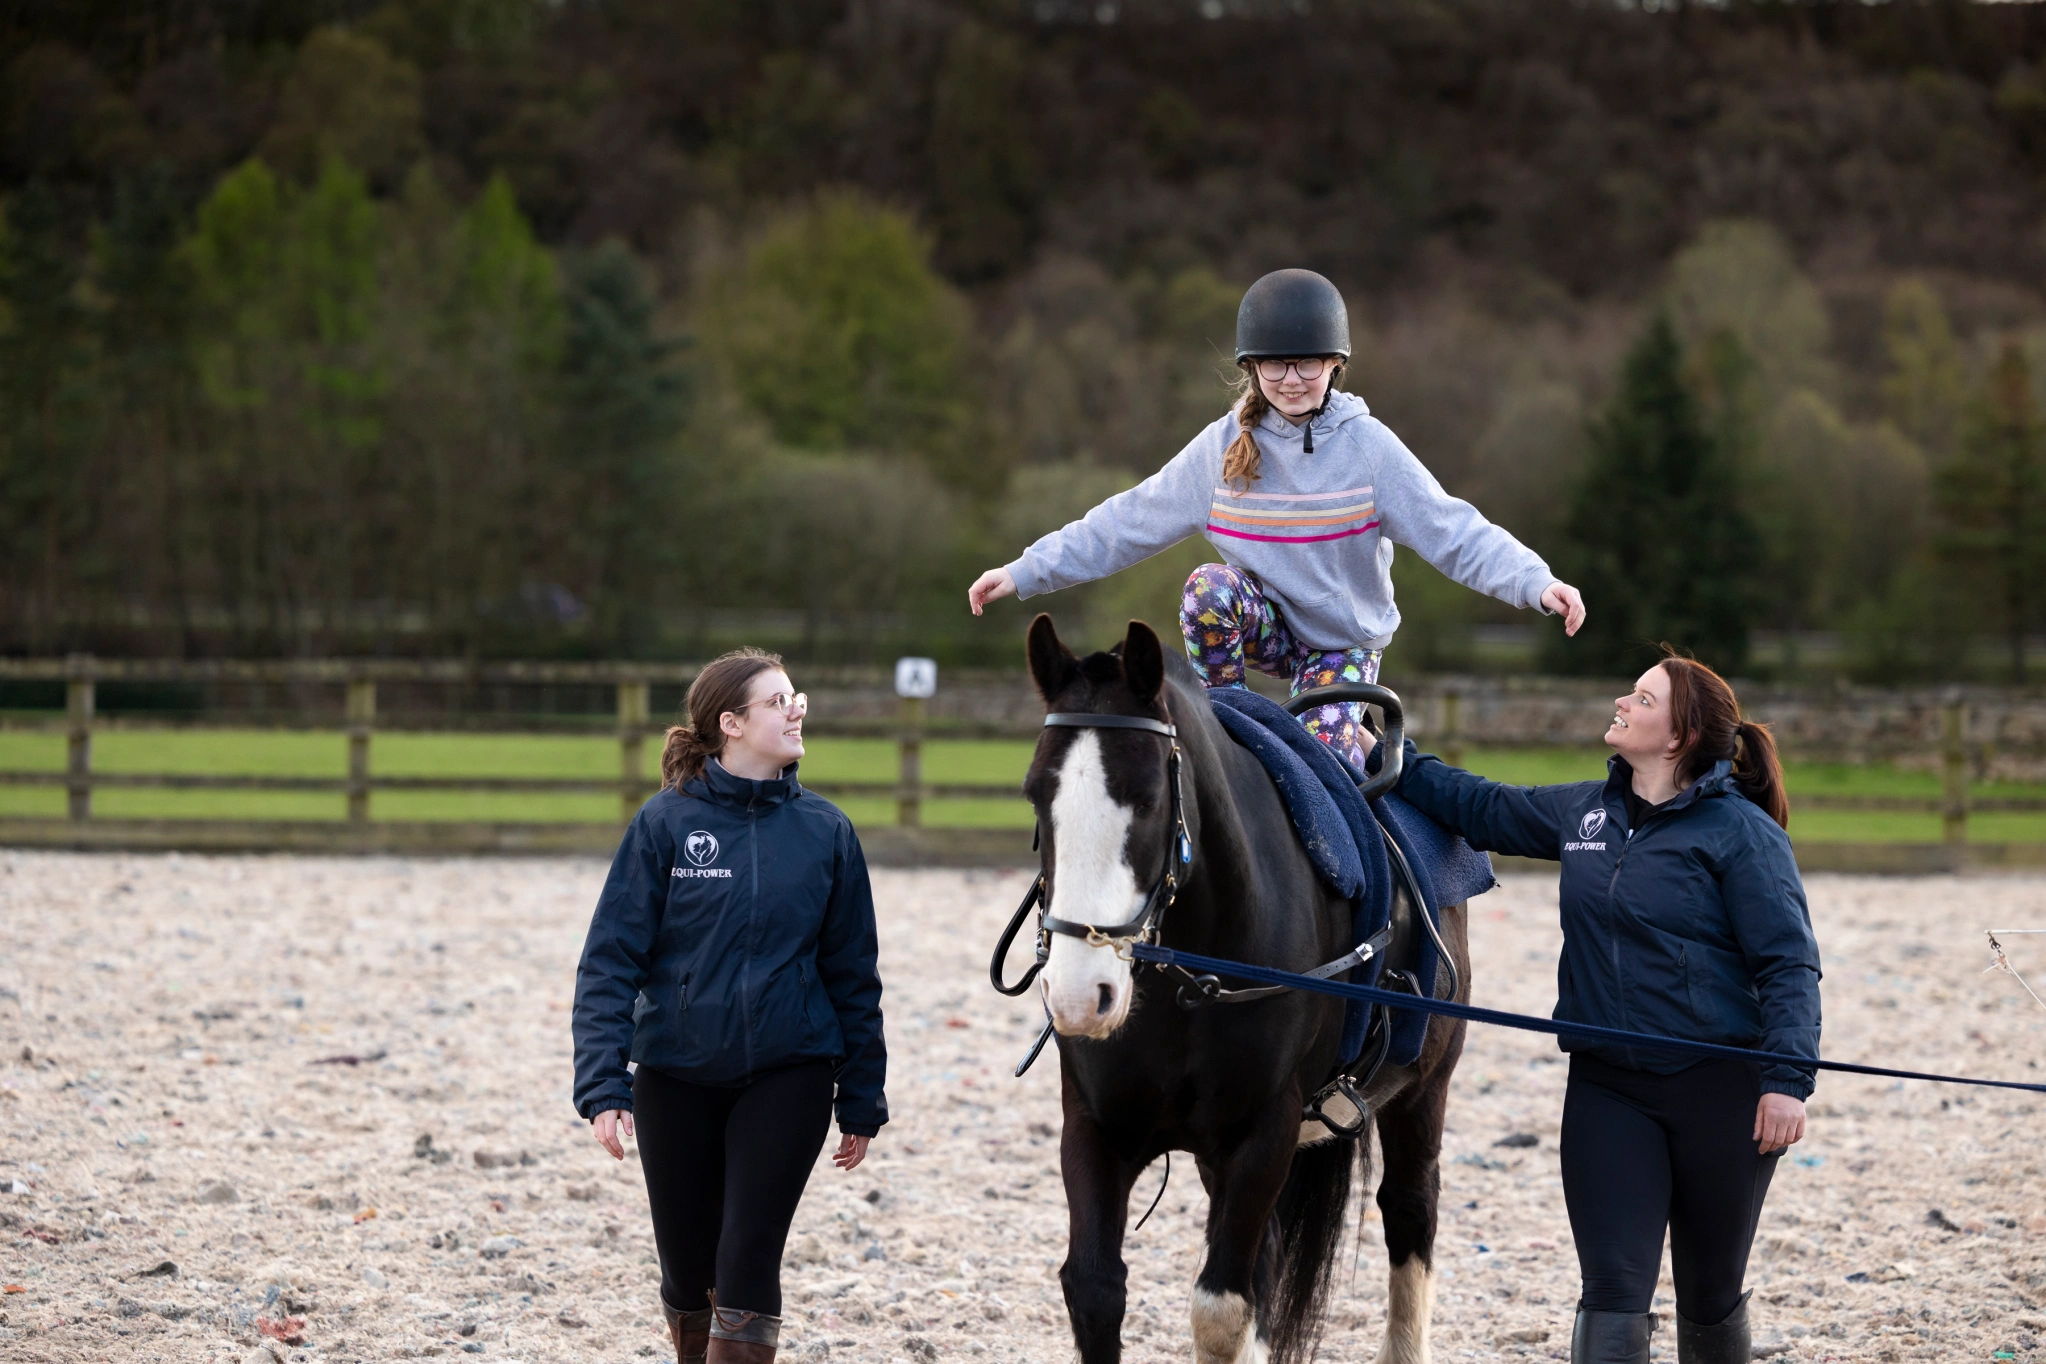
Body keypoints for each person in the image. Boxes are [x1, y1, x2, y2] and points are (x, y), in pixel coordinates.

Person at [967, 267, 1586, 770]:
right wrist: (1025, 572)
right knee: (1207, 589)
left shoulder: (1369, 450)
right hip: (1267, 630)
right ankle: (1226, 724)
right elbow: (1126, 521)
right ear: (1252, 369)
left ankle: (1360, 808)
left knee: (1319, 765)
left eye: (1308, 364)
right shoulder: (1220, 452)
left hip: (1342, 644)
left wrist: (1535, 583)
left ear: (1334, 364)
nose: (1292, 380)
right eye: (1275, 366)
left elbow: (1453, 530)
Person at [1393, 652, 1821, 1364]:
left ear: (1678, 735)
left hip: (1720, 1090)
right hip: (1608, 1089)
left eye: (1644, 697)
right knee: (1612, 1289)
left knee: (1710, 1293)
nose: (1623, 700)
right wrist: (1387, 752)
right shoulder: (1585, 812)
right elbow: (1482, 806)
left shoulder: (1742, 834)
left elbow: (1788, 962)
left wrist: (1786, 1081)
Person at [572, 649, 887, 1364]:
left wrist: (862, 1094)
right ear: (732, 723)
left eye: (795, 696)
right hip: (674, 1073)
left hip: (790, 1072)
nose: (797, 708)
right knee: (689, 1273)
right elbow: (610, 961)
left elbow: (853, 975)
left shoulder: (828, 834)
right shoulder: (664, 826)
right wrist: (601, 1085)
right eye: (779, 701)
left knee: (747, 1258)